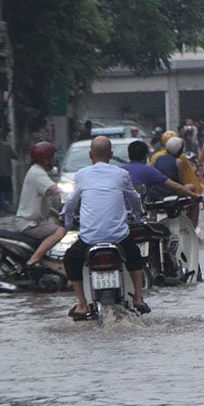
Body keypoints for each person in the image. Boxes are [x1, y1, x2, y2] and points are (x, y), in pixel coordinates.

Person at [63, 136, 148, 319]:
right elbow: (134, 198)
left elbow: (71, 202)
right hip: (118, 237)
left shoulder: (82, 174)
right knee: (135, 257)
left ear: (90, 154)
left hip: (89, 239)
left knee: (70, 259)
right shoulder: (121, 174)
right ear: (111, 154)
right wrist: (138, 215)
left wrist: (68, 221)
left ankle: (82, 303)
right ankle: (139, 299)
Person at [17, 142, 67, 266]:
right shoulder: (37, 173)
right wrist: (72, 197)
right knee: (60, 231)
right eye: (52, 157)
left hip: (32, 220)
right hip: (30, 223)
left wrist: (57, 214)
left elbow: (40, 203)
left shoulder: (37, 171)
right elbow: (56, 190)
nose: (54, 160)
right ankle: (35, 258)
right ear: (46, 160)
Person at [122, 140, 201, 202]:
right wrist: (194, 195)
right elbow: (176, 186)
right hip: (168, 195)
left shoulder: (120, 170)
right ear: (146, 156)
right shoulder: (148, 171)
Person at [154, 136, 201, 227]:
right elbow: (179, 181)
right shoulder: (178, 162)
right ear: (180, 150)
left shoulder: (158, 159)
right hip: (172, 192)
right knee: (193, 193)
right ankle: (192, 226)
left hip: (158, 192)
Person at [0, 131, 18, 213]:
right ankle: (9, 206)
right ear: (2, 136)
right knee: (8, 190)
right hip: (7, 172)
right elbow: (15, 156)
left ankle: (0, 208)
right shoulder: (7, 146)